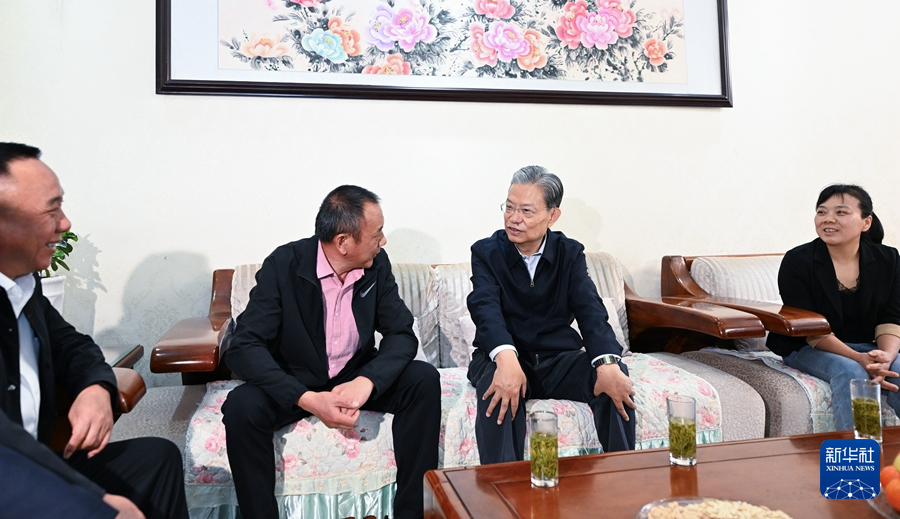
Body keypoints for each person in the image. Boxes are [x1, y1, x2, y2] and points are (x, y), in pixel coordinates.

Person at [223, 185, 440, 519]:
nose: (383, 241)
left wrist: (367, 381)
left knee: (422, 379)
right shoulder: (284, 264)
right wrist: (306, 399)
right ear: (343, 242)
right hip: (295, 379)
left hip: (353, 374)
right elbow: (244, 346)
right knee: (242, 406)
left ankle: (413, 514)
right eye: (377, 234)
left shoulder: (376, 265)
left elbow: (401, 334)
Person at [0, 142, 188, 519]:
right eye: (51, 210)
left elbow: (72, 345)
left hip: (38, 464)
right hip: (11, 477)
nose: (65, 223)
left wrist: (96, 387)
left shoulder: (24, 286)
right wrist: (93, 500)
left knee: (157, 459)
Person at [466, 165, 636, 464]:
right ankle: (503, 488)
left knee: (613, 378)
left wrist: (607, 362)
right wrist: (506, 358)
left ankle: (621, 476)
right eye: (509, 207)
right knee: (498, 388)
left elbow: (589, 309)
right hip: (506, 357)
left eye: (526, 211)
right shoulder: (486, 252)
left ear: (552, 215)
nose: (514, 218)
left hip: (558, 360)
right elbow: (485, 308)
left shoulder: (569, 253)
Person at [767, 184, 900, 430]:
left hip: (869, 344)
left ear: (866, 222)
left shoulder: (888, 259)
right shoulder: (798, 261)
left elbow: (891, 317)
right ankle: (860, 451)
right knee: (851, 372)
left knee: (898, 369)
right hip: (808, 345)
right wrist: (858, 358)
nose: (828, 219)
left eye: (841, 212)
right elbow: (810, 328)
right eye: (822, 212)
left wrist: (886, 358)